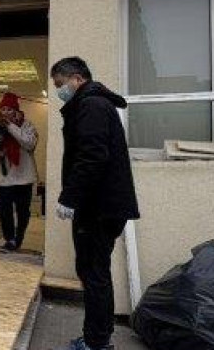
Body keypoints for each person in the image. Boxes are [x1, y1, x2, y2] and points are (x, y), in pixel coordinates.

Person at [50, 57, 140, 350]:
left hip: (99, 208)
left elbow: (92, 156)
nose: (59, 91)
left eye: (60, 84)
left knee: (94, 273)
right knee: (93, 271)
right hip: (102, 205)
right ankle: (97, 338)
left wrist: (70, 197)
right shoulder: (92, 104)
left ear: (76, 79)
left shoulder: (91, 105)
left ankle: (97, 343)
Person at [0, 92, 38, 252]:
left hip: (24, 178)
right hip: (5, 178)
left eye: (9, 109)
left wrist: (10, 127)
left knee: (23, 212)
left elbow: (29, 144)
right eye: (3, 109)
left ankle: (19, 236)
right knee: (5, 211)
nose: (6, 112)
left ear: (16, 111)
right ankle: (9, 239)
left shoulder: (27, 126)